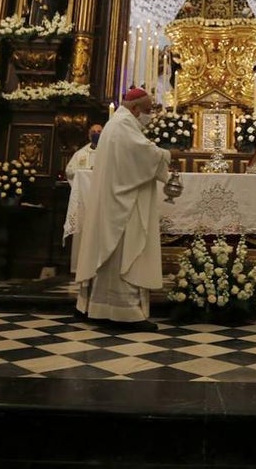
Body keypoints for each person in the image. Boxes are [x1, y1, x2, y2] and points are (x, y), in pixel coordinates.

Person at [73, 88, 172, 331]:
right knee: (124, 252)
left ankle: (100, 307)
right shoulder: (123, 125)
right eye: (147, 111)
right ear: (135, 108)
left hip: (116, 198)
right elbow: (145, 155)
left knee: (112, 255)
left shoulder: (116, 124)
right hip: (123, 205)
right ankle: (125, 312)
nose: (149, 116)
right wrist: (166, 154)